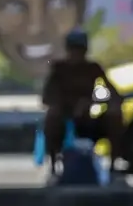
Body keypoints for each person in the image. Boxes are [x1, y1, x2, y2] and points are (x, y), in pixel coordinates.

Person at [42, 30, 125, 176]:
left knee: (114, 116)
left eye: (80, 50)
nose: (76, 54)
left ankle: (113, 163)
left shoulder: (92, 68)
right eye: (73, 50)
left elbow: (113, 92)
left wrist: (97, 103)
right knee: (52, 116)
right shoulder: (59, 69)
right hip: (65, 117)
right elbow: (46, 98)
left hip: (89, 117)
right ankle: (54, 164)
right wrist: (63, 105)